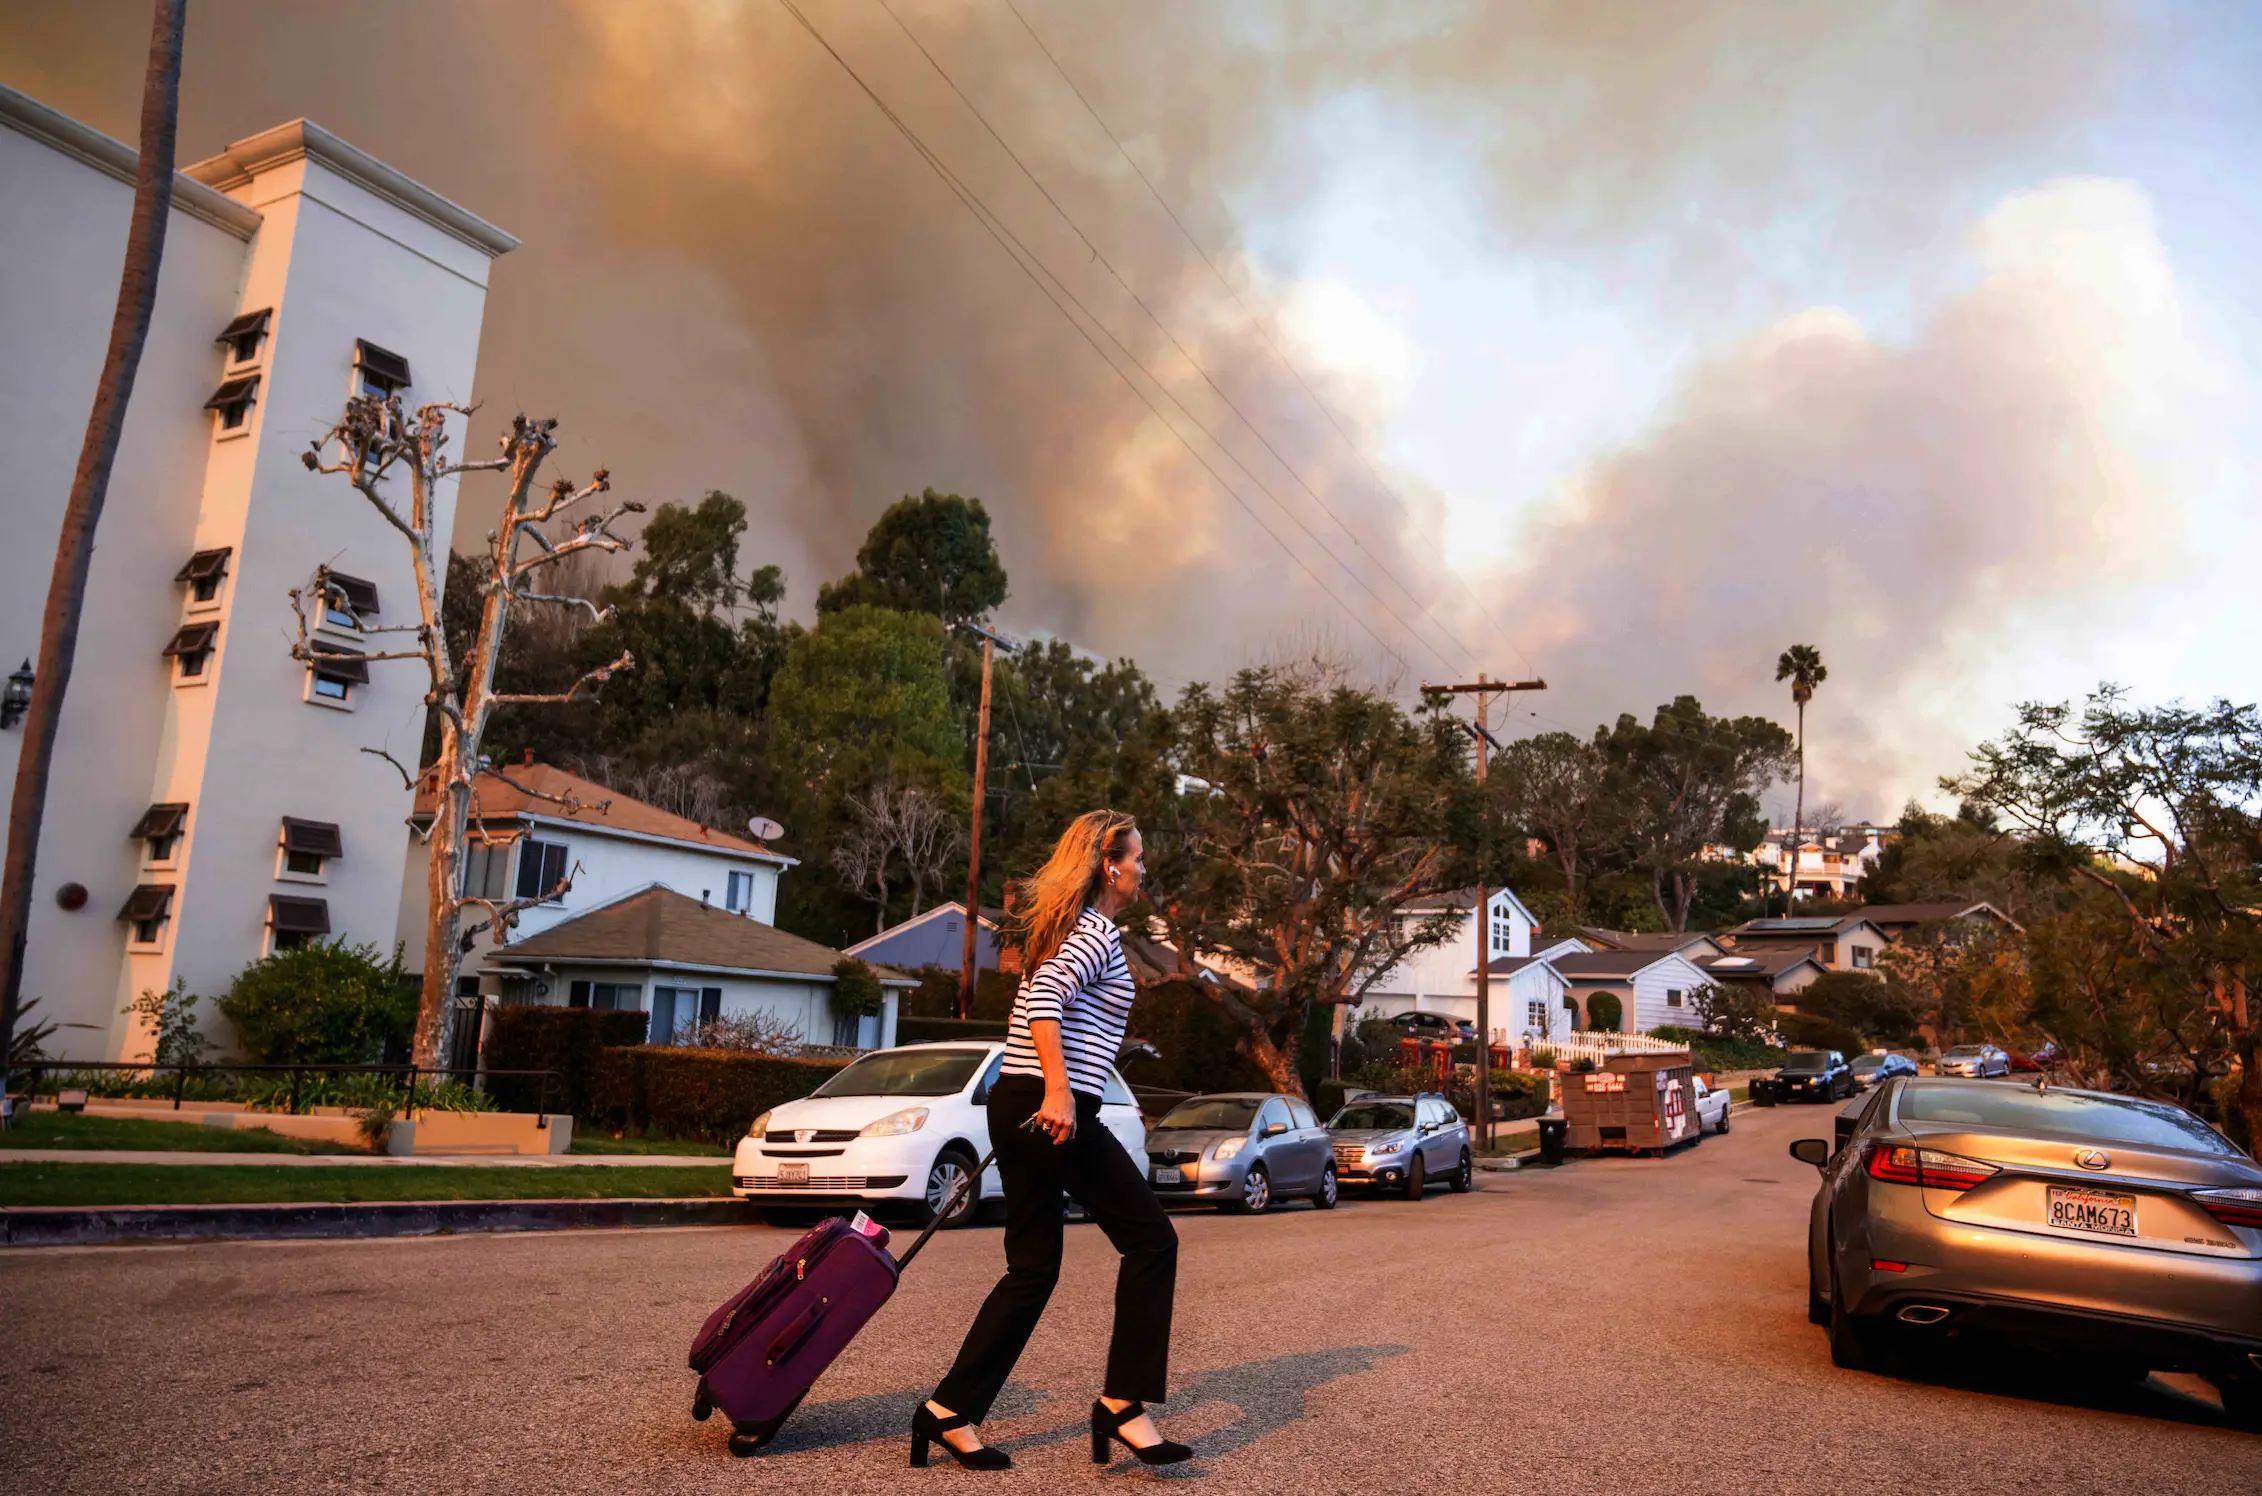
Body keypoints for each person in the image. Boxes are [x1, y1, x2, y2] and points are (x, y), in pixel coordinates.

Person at [911, 810, 1192, 1471]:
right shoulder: (1091, 932)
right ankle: (1123, 1404)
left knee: (1032, 1268)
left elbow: (1055, 1006)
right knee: (1152, 1240)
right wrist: (1062, 1092)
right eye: (1138, 857)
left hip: (1020, 1101)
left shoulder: (1071, 929)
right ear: (1110, 865)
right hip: (1049, 1107)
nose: (1144, 869)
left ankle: (949, 1412)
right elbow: (1044, 1004)